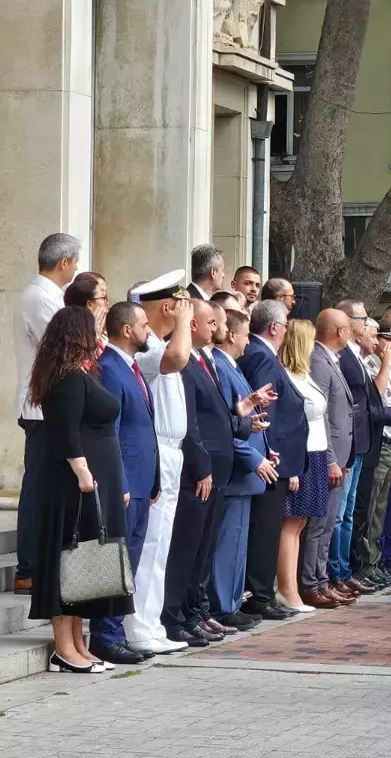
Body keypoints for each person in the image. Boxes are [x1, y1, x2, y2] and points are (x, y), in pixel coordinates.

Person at [28, 306, 132, 674]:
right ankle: (64, 647)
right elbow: (66, 432)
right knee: (66, 559)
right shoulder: (67, 379)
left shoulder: (78, 374)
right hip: (74, 483)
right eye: (94, 329)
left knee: (82, 565)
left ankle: (77, 643)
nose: (98, 336)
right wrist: (83, 472)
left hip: (93, 480)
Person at [163, 300, 260, 646]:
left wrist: (243, 418)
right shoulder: (186, 362)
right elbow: (189, 423)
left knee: (203, 551)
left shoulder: (206, 360)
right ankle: (177, 617)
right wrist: (201, 465)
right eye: (208, 322)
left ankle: (196, 612)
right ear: (191, 325)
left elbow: (217, 416)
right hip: (197, 473)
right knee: (187, 550)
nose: (214, 329)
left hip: (217, 471)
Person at [122, 271, 193, 655]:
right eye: (182, 305)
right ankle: (138, 627)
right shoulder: (150, 346)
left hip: (172, 450)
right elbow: (178, 358)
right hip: (158, 449)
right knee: (150, 543)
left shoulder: (159, 342)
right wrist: (183, 323)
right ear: (169, 306)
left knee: (161, 544)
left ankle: (151, 622)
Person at [87, 302, 161, 666]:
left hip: (141, 483)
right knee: (113, 557)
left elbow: (142, 428)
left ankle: (115, 630)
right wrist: (121, 482)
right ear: (126, 330)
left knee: (129, 559)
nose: (150, 331)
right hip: (123, 484)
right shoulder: (110, 369)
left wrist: (154, 478)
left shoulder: (130, 368)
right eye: (144, 325)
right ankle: (105, 635)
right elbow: (109, 434)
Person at [13, 232, 80, 595]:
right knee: (37, 487)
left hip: (50, 403)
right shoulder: (39, 298)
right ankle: (29, 567)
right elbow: (63, 346)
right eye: (75, 260)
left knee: (47, 486)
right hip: (40, 405)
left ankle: (39, 562)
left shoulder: (52, 297)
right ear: (64, 262)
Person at [238, 299, 309, 619]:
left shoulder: (261, 353)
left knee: (267, 527)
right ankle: (261, 594)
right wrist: (267, 451)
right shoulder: (261, 356)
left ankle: (262, 592)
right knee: (265, 529)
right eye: (285, 325)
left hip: (273, 456)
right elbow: (263, 409)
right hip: (270, 458)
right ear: (275, 327)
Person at [210, 308, 276, 630]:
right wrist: (254, 458)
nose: (249, 341)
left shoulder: (230, 366)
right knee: (228, 543)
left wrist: (265, 446)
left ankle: (232, 601)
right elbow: (226, 425)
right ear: (232, 335)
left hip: (246, 471)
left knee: (236, 543)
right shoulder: (221, 368)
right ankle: (224, 605)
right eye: (246, 334)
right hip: (237, 471)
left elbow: (240, 417)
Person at [276, 319, 332, 611]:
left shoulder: (304, 374)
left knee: (301, 523)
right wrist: (293, 466)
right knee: (292, 522)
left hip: (317, 451)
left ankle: (292, 587)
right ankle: (287, 589)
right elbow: (287, 424)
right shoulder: (287, 375)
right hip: (302, 455)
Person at [304, 309, 357, 606]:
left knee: (327, 523)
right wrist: (331, 458)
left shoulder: (329, 359)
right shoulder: (319, 360)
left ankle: (322, 579)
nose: (350, 333)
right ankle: (312, 582)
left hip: (339, 455)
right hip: (328, 454)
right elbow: (321, 413)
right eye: (348, 327)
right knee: (319, 524)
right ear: (339, 331)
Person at [332, 299, 379, 595]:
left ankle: (345, 568)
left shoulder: (353, 354)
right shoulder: (343, 357)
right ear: (348, 322)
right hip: (346, 443)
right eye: (363, 317)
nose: (366, 322)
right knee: (339, 514)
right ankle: (336, 570)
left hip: (358, 442)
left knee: (348, 512)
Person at [360, 321, 391, 584]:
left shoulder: (386, 368)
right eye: (386, 340)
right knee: (371, 508)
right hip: (377, 440)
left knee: (381, 506)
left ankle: (377, 560)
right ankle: (367, 562)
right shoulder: (373, 365)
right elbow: (375, 397)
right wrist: (386, 363)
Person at [63, 272, 110, 347]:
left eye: (106, 294)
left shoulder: (107, 331)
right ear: (89, 304)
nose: (107, 302)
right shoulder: (70, 334)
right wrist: (93, 335)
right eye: (103, 297)